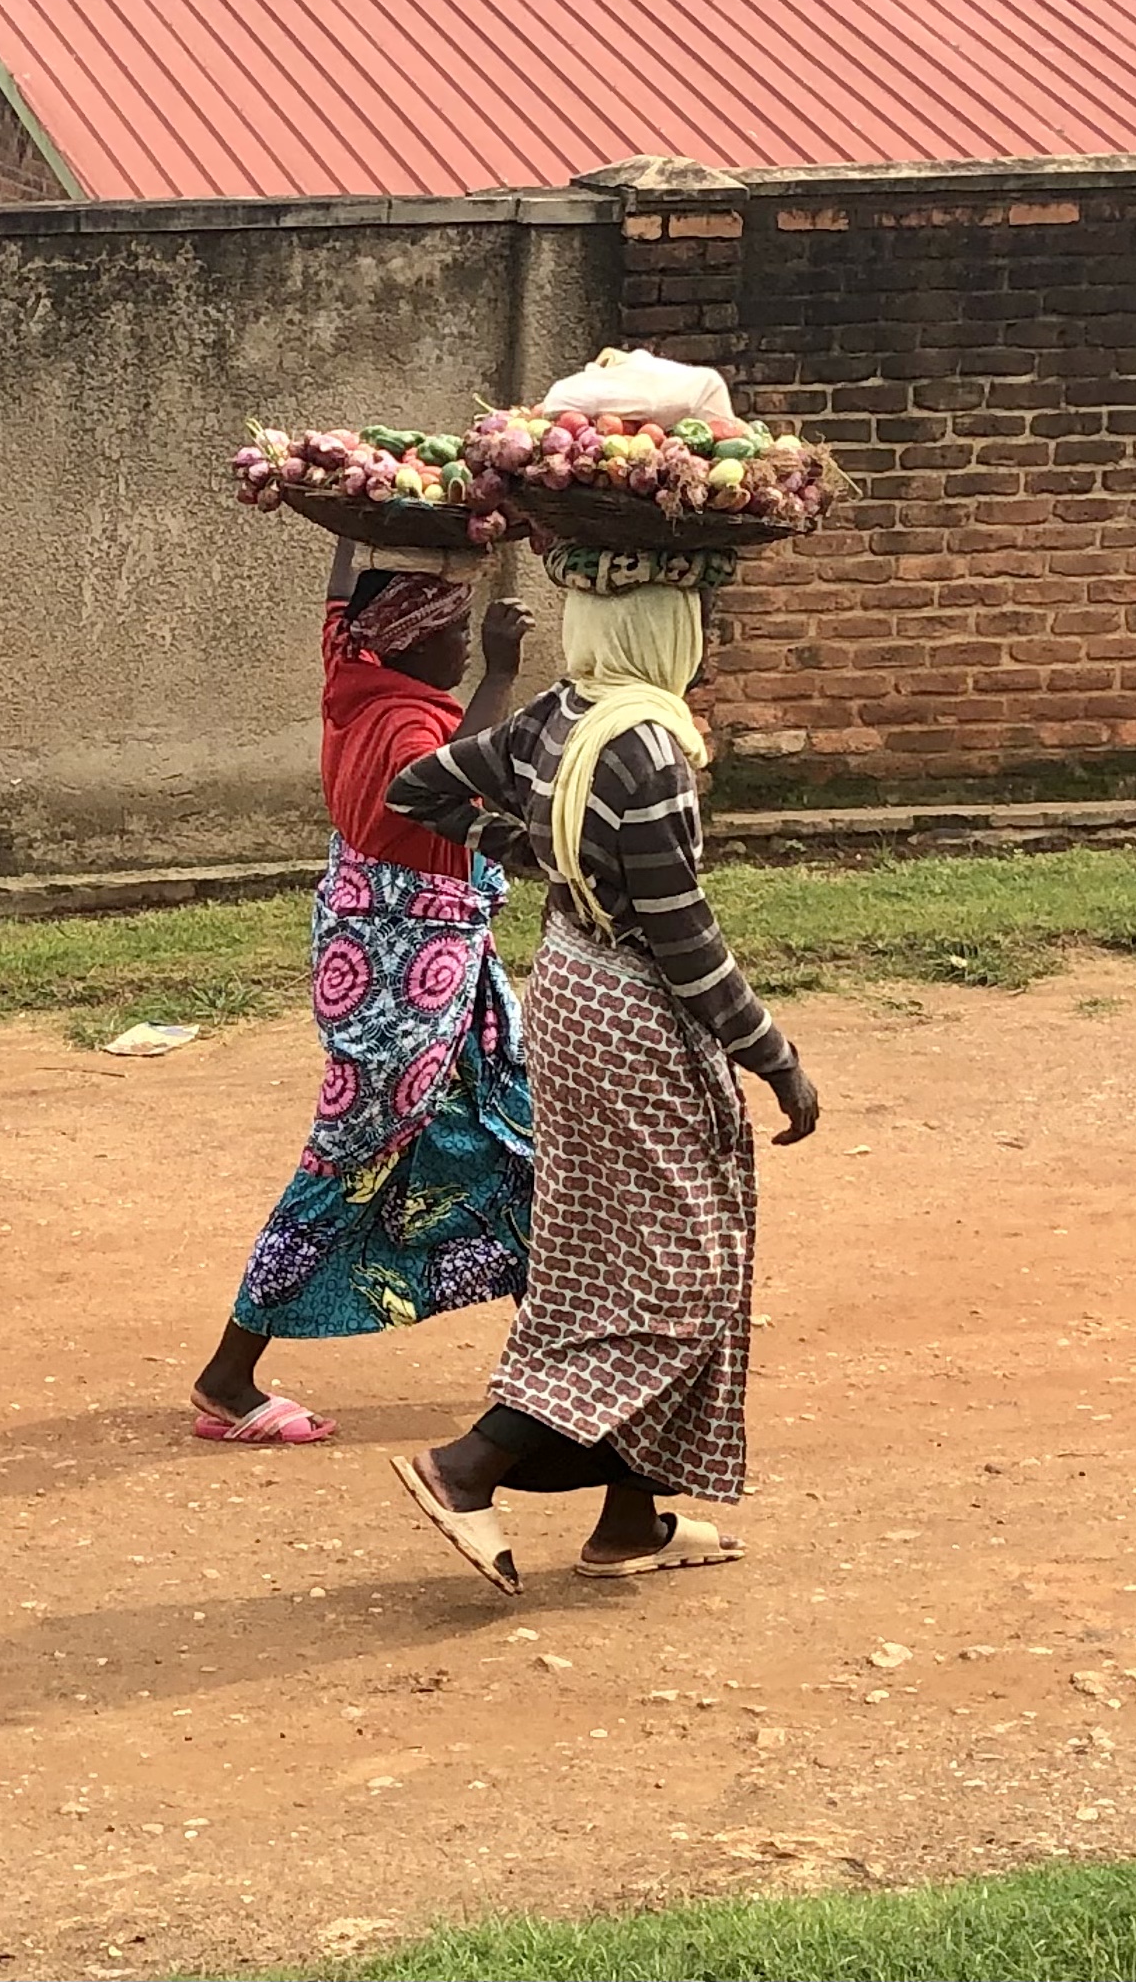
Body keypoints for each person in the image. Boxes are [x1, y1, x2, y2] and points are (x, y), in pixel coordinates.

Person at [379, 562, 818, 1589]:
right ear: (668, 630)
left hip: (568, 984)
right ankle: (467, 1464)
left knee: (604, 1238)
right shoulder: (650, 749)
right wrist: (775, 1057)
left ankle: (630, 1519)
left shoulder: (560, 716)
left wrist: (541, 854)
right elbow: (683, 936)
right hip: (632, 1009)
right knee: (682, 1269)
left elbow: (420, 788)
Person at [188, 541, 538, 1446]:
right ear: (408, 639)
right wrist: (501, 678)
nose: (465, 646)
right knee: (347, 1164)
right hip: (404, 978)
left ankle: (554, 1365)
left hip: (402, 959)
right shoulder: (405, 726)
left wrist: (354, 529)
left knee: (521, 1135)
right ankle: (229, 1376)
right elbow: (443, 786)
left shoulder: (356, 676)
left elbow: (341, 605)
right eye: (455, 631)